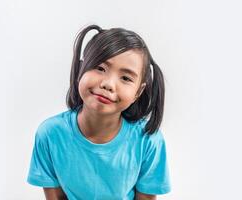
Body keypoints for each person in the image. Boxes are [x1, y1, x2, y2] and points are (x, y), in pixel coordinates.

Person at [27, 24, 171, 200]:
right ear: (81, 69)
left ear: (138, 93)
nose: (108, 84)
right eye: (100, 68)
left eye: (125, 78)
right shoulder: (50, 134)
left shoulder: (148, 141)